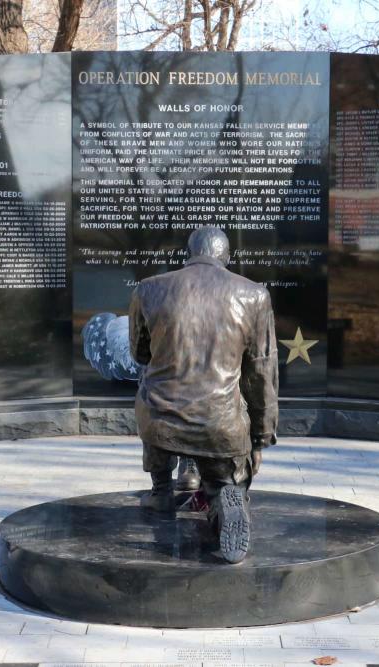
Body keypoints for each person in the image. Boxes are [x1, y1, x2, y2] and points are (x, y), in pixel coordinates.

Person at [128, 226, 278, 563]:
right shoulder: (254, 295)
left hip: (160, 421)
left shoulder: (149, 289)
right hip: (220, 425)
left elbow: (139, 354)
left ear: (188, 254)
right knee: (225, 476)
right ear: (227, 258)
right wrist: (260, 437)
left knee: (150, 388)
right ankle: (225, 496)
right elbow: (262, 373)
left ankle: (161, 491)